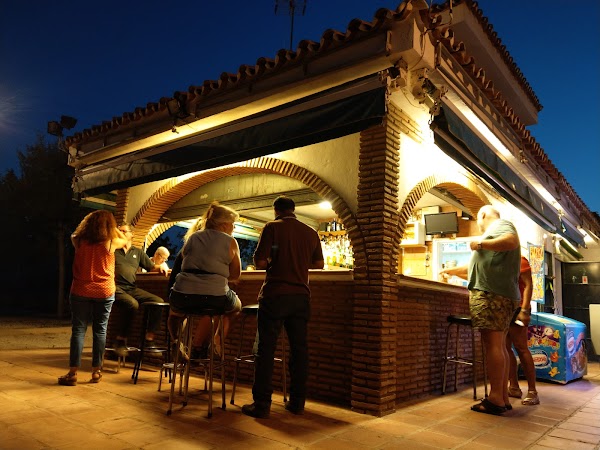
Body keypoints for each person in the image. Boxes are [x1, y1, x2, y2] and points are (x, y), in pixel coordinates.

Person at [242, 196, 324, 419]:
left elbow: (259, 262)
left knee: (266, 349)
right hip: (301, 297)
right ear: (293, 209)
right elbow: (319, 264)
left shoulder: (272, 227)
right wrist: (299, 262)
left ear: (276, 210)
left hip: (275, 295)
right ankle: (297, 403)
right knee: (299, 350)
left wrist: (275, 260)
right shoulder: (311, 232)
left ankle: (262, 404)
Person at [440, 205, 520, 415]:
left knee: (493, 344)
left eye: (478, 220)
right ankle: (502, 397)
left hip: (491, 294)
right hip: (501, 294)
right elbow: (475, 268)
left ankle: (495, 398)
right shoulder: (494, 238)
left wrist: (481, 243)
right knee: (499, 345)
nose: (479, 225)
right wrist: (450, 271)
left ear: (482, 215)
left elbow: (512, 240)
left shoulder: (500, 226)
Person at [58, 210, 128, 386]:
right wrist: (113, 228)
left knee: (78, 330)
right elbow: (125, 240)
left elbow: (74, 233)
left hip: (81, 290)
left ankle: (73, 373)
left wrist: (87, 226)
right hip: (104, 291)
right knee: (100, 331)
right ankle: (96, 371)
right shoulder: (111, 242)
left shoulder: (78, 240)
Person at [167, 202, 242, 358]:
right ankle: (212, 343)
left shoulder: (193, 237)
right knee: (234, 307)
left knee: (175, 313)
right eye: (232, 224)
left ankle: (176, 342)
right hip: (214, 296)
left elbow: (185, 259)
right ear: (224, 225)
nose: (233, 228)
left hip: (182, 294)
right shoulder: (230, 241)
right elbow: (235, 275)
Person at [113, 223, 169, 355]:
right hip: (114, 287)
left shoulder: (137, 252)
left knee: (158, 301)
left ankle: (149, 340)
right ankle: (120, 341)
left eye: (124, 231)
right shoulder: (113, 250)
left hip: (131, 288)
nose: (121, 233)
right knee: (132, 304)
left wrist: (161, 267)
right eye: (119, 231)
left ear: (132, 234)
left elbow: (151, 267)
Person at [506, 255, 540, 405]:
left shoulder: (519, 259)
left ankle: (533, 391)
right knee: (505, 348)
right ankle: (513, 386)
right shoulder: (500, 258)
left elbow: (528, 285)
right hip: (503, 308)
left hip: (518, 307)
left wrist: (524, 309)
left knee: (521, 347)